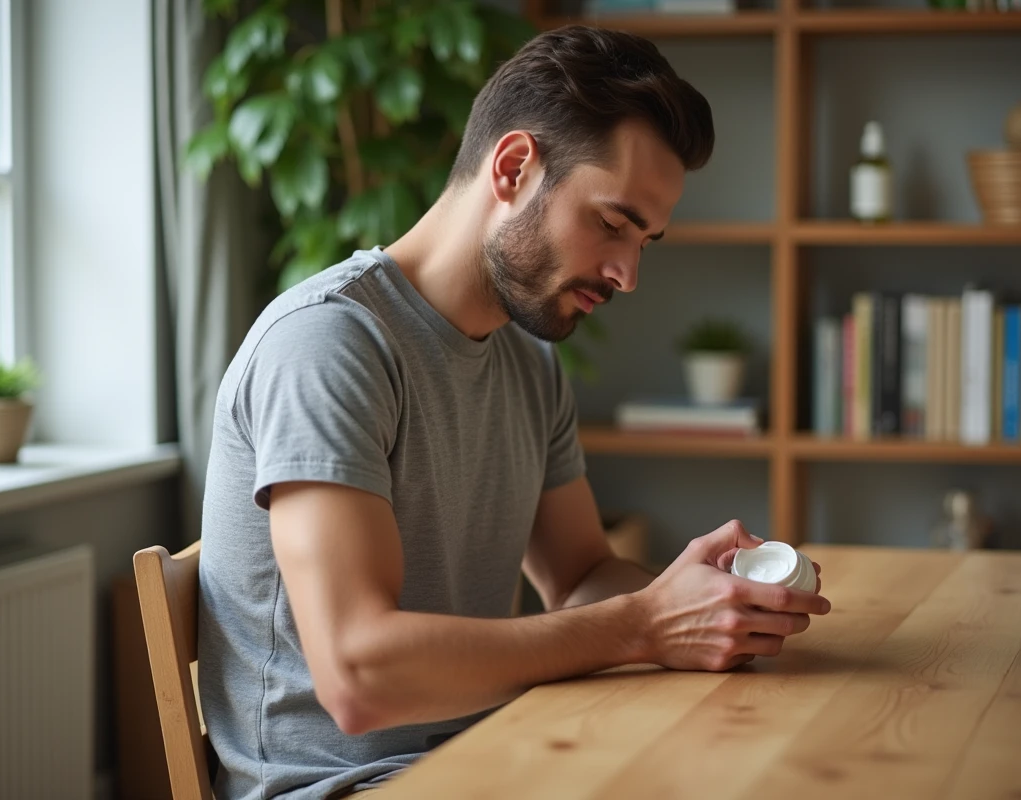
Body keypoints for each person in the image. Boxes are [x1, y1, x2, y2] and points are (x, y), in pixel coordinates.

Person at [197, 23, 831, 800]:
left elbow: (580, 575)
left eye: (647, 241)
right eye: (611, 223)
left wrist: (702, 602)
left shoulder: (527, 359)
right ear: (514, 167)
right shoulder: (329, 345)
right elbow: (359, 677)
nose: (628, 274)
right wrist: (641, 626)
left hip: (497, 753)